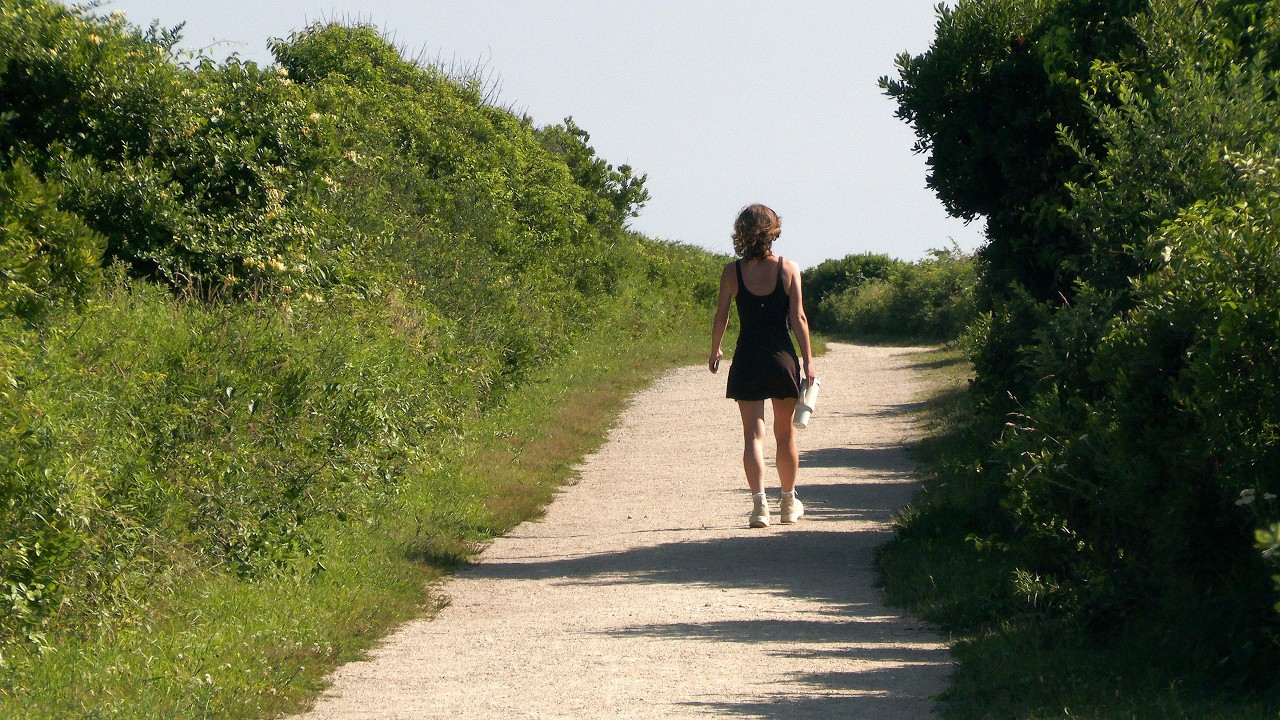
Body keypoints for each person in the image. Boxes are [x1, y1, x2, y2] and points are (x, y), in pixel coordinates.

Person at [709, 204, 816, 528]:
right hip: (781, 358)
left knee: (753, 434)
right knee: (785, 435)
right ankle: (787, 501)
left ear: (741, 232)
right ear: (773, 231)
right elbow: (797, 318)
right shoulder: (788, 268)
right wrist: (808, 360)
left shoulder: (732, 272)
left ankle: (759, 507)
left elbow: (722, 316)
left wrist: (714, 350)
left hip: (747, 358)